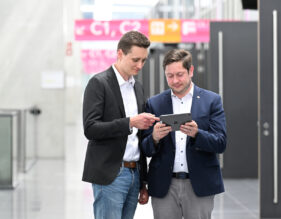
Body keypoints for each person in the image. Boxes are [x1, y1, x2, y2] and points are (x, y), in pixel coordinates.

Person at [82, 30, 159, 219]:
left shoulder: (137, 88)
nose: (140, 65)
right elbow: (91, 128)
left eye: (143, 60)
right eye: (135, 60)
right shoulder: (99, 83)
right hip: (111, 174)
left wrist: (143, 181)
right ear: (120, 54)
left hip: (134, 174)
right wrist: (130, 122)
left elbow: (137, 140)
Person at [142, 49, 227, 219]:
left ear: (191, 71)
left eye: (180, 74)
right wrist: (154, 138)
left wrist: (197, 134)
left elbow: (220, 143)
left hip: (199, 183)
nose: (175, 81)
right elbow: (144, 149)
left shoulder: (211, 101)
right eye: (170, 75)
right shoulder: (155, 103)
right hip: (164, 185)